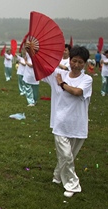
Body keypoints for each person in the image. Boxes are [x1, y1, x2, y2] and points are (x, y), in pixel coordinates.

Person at [34, 45, 92, 197]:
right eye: (74, 61)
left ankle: (58, 176)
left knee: (69, 155)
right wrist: (31, 52)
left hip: (78, 124)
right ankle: (72, 185)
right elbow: (40, 67)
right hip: (60, 123)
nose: (76, 65)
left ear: (84, 63)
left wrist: (62, 84)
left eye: (80, 62)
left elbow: (77, 92)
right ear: (69, 60)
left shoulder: (87, 79)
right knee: (66, 155)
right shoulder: (58, 73)